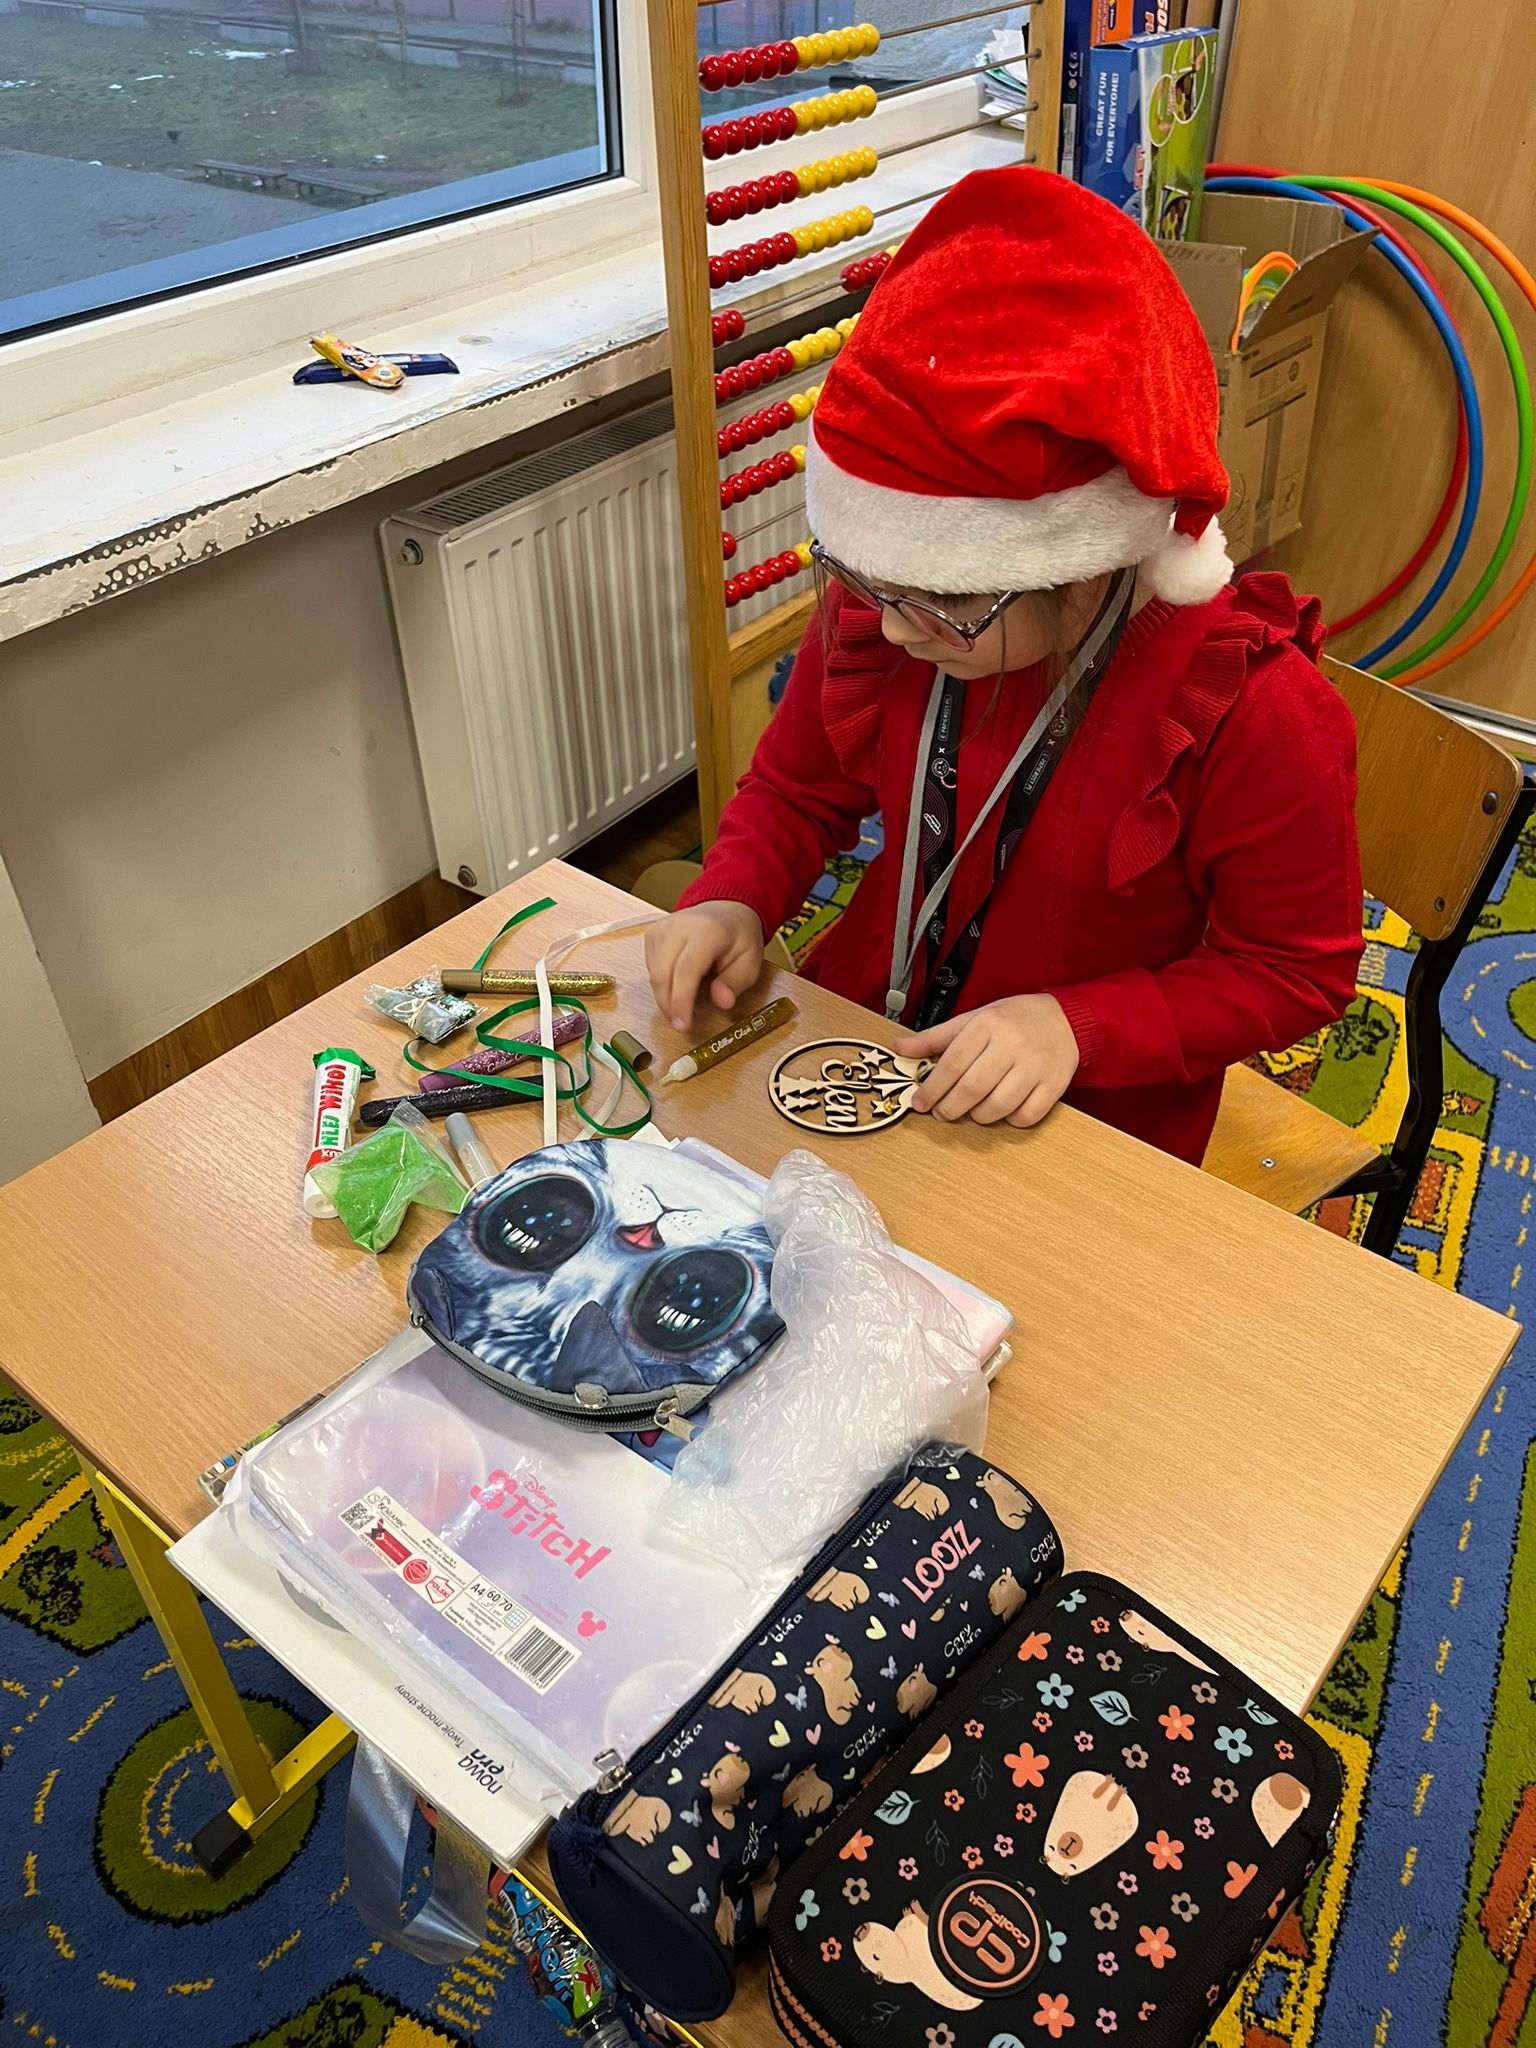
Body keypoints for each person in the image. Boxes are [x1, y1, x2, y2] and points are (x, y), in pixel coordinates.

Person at [646, 168, 1363, 1165]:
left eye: (944, 606)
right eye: (862, 584)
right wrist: (736, 894)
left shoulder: (1257, 709)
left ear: (1083, 565)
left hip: (1086, 1114)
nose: (890, 629)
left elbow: (1292, 971)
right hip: (868, 1036)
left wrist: (1079, 1027)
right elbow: (798, 790)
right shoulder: (897, 597)